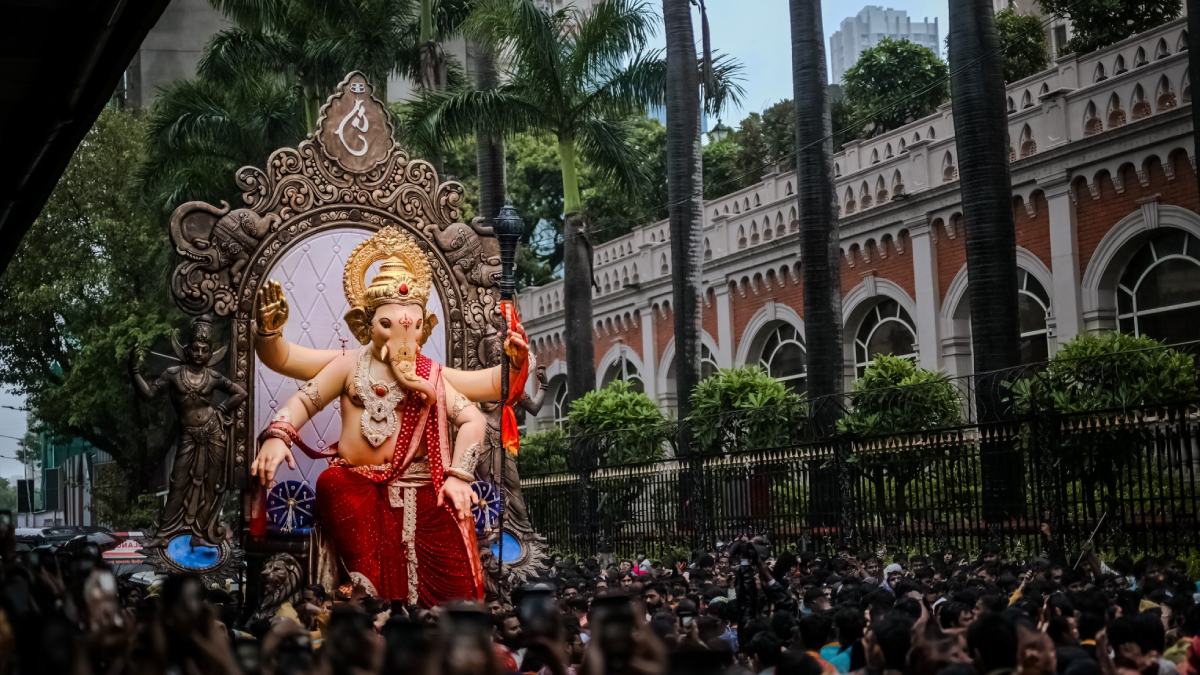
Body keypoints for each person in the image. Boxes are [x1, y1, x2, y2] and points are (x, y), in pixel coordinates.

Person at [251, 227, 529, 606]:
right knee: (333, 482)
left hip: (422, 486)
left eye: (412, 327)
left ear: (423, 328)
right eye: (387, 325)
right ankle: (366, 595)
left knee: (454, 566)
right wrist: (277, 433)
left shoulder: (431, 374)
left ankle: (449, 618)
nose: (401, 337)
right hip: (357, 485)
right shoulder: (347, 365)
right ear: (363, 325)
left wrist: (460, 476)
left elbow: (481, 406)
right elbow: (291, 374)